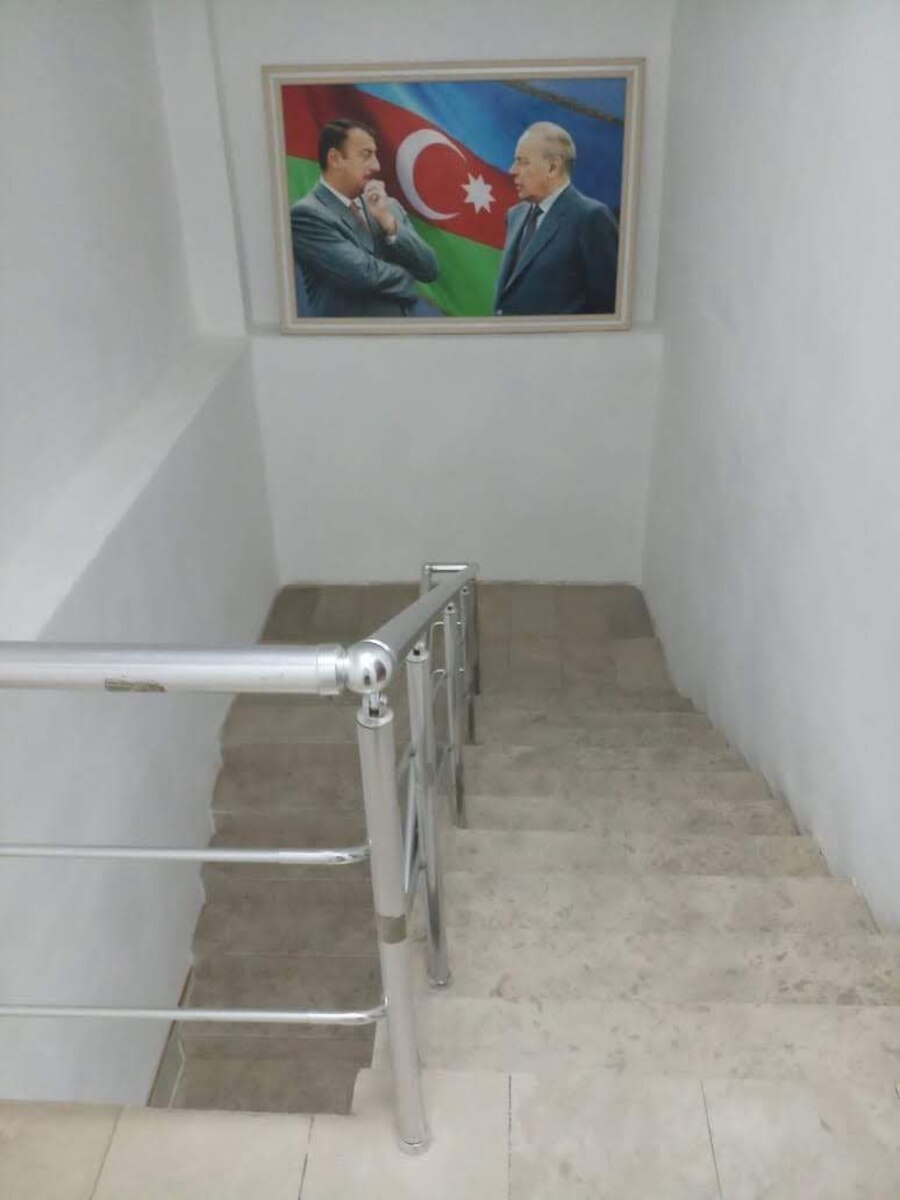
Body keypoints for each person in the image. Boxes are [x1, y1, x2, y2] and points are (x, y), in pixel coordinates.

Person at [290, 119, 438, 318]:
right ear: (335, 158)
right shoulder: (306, 214)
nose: (376, 166)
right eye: (366, 155)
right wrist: (410, 278)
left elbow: (429, 269)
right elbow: (363, 275)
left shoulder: (387, 207)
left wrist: (389, 224)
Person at [493, 121, 619, 317]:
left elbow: (607, 308)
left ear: (553, 167)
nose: (512, 170)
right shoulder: (515, 215)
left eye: (523, 162)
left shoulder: (591, 217)